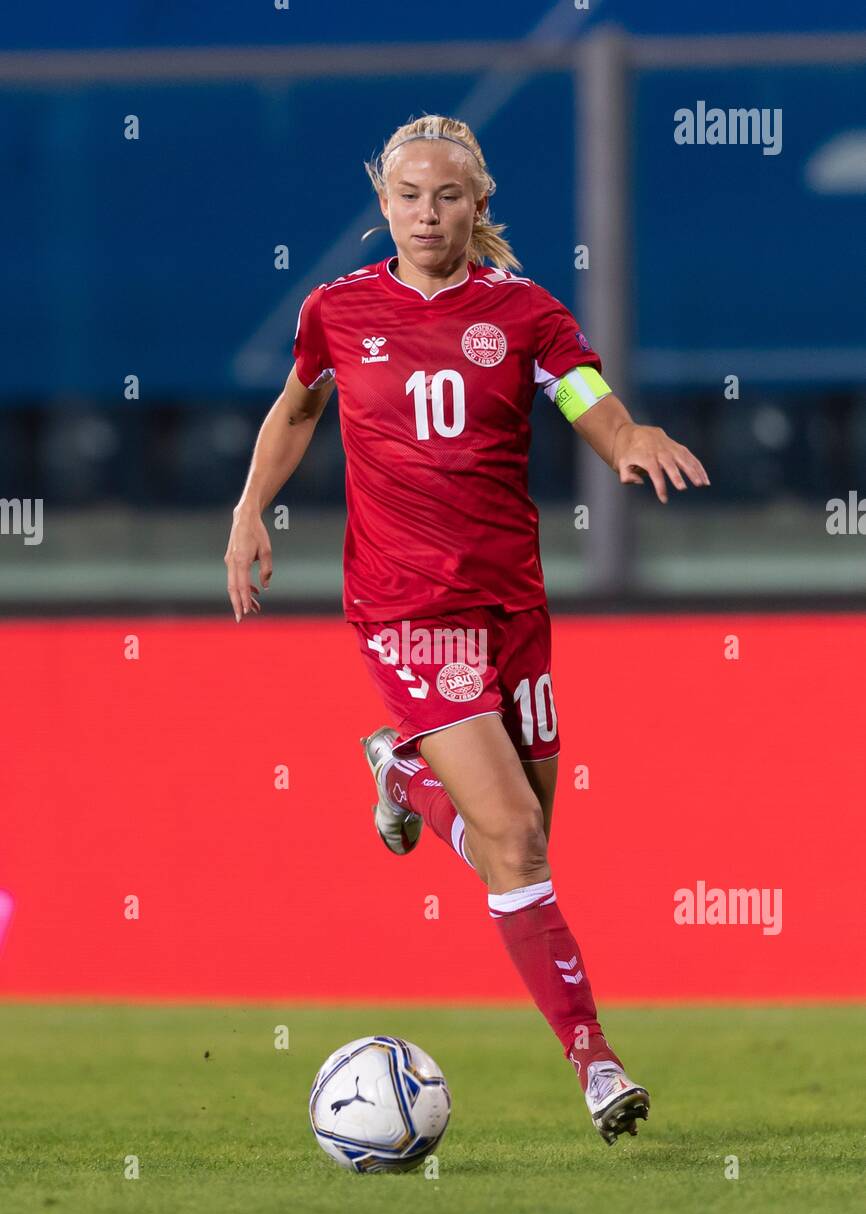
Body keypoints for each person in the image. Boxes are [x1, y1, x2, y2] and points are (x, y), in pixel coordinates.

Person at [225, 114, 710, 1145]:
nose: (425, 213)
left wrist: (626, 436)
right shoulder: (338, 309)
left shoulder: (523, 312)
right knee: (518, 838)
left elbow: (583, 393)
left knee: (519, 849)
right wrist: (247, 509)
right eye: (407, 195)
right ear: (384, 203)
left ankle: (401, 779)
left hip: (510, 608)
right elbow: (298, 408)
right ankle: (595, 1064)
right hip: (408, 607)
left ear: (477, 205)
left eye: (446, 195)